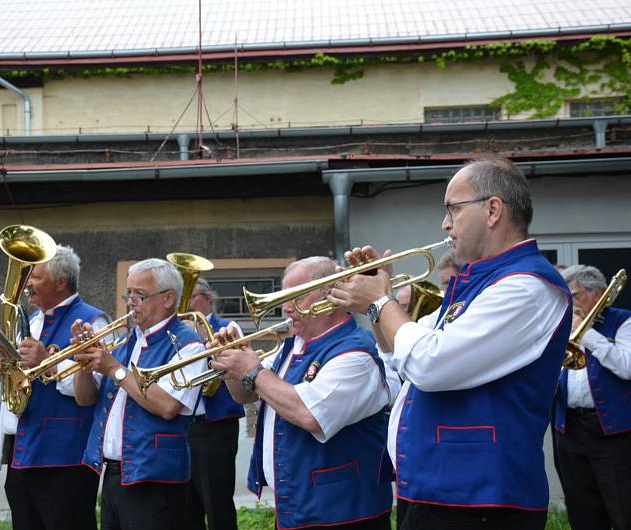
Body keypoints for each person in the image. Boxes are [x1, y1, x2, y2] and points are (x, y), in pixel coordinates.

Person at [328, 155, 572, 530]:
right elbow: (400, 358)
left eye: (453, 209)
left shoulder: (527, 286)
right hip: (436, 490)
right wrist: (382, 300)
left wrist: (379, 301)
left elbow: (430, 364)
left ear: (493, 210)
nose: (445, 223)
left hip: (480, 499)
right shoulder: (478, 284)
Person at [211, 256, 393, 530]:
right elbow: (246, 395)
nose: (285, 307)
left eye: (296, 296)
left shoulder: (356, 353)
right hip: (296, 507)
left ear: (330, 295)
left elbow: (309, 414)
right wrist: (231, 365)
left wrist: (252, 370)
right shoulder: (293, 346)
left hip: (345, 514)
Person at [72, 257, 207, 530]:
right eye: (129, 293)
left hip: (155, 479)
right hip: (113, 474)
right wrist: (84, 364)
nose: (131, 301)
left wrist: (113, 368)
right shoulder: (127, 341)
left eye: (140, 295)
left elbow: (168, 406)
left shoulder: (188, 344)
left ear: (169, 298)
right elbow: (84, 399)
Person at [0, 244, 108, 530]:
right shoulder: (32, 321)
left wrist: (48, 362)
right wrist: (3, 368)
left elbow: (95, 390)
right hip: (23, 450)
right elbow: (21, 384)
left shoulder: (93, 320)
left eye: (36, 277)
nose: (27, 284)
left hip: (65, 456)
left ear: (60, 282)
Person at [553, 265, 631, 530]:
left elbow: (627, 366)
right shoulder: (560, 325)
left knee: (623, 508)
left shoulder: (623, 320)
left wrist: (588, 335)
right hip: (570, 428)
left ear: (597, 294)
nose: (568, 302)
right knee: (581, 509)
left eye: (574, 295)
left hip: (611, 431)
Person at [185, 278, 244, 530]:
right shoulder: (175, 333)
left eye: (192, 297)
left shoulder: (227, 327)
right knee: (185, 505)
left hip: (214, 426)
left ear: (208, 298)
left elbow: (236, 367)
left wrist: (199, 338)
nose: (185, 304)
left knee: (216, 501)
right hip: (182, 424)